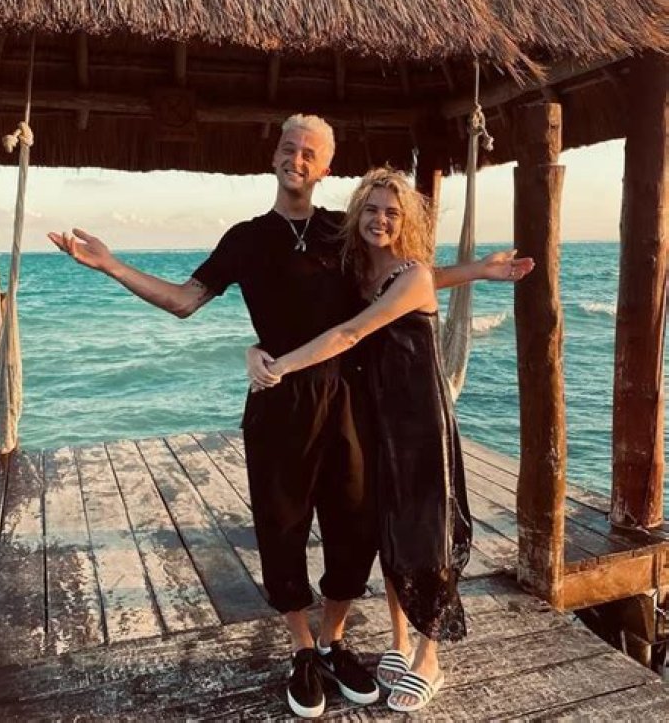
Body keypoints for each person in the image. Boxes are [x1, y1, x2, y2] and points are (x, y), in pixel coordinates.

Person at [49, 115, 531, 719]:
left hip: (349, 397)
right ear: (274, 156)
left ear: (325, 167)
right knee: (282, 526)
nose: (296, 158)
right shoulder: (245, 239)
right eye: (288, 147)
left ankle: (334, 639)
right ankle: (302, 648)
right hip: (278, 402)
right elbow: (183, 300)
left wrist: (479, 271)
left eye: (309, 152)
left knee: (355, 526)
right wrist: (112, 266)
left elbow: (402, 280)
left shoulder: (341, 230)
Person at [247, 167, 534, 713]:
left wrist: (279, 366)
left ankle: (430, 656)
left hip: (418, 418)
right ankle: (399, 642)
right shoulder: (359, 271)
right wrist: (478, 269)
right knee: (386, 530)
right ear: (358, 213)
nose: (381, 219)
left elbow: (352, 330)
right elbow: (422, 280)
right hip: (372, 414)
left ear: (408, 223)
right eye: (373, 209)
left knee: (425, 533)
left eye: (393, 213)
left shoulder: (410, 274)